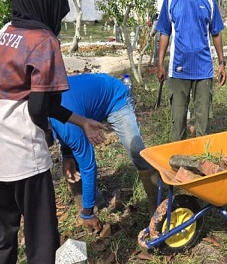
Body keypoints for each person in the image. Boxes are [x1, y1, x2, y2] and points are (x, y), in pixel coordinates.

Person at [0, 0, 106, 264]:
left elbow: (34, 101)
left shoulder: (4, 33)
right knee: (41, 236)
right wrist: (46, 134)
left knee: (2, 231)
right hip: (21, 153)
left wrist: (81, 121)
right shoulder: (42, 40)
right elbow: (38, 109)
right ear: (44, 0)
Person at [49, 73, 160, 221]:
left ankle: (156, 202)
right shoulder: (45, 111)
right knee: (72, 165)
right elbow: (64, 130)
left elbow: (89, 166)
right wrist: (67, 155)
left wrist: (87, 214)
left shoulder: (66, 125)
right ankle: (95, 202)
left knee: (137, 152)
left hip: (115, 99)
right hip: (88, 105)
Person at [156, 0, 227, 141]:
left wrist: (221, 63)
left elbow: (216, 32)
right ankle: (176, 165)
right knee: (177, 121)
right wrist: (160, 63)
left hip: (203, 70)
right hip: (178, 69)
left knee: (203, 122)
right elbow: (164, 32)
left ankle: (202, 163)